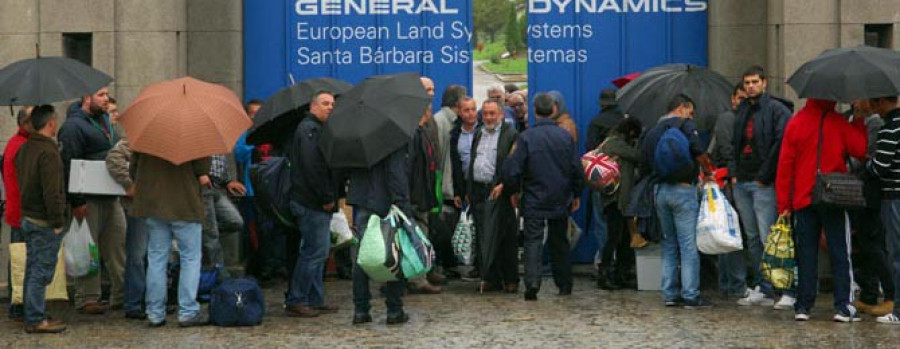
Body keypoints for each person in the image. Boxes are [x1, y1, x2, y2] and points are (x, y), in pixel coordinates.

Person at [776, 98, 867, 322]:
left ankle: (803, 306)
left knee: (806, 254)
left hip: (803, 198)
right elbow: (861, 149)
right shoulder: (838, 122)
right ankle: (843, 306)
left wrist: (784, 204)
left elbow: (785, 165)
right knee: (839, 252)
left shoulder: (796, 122)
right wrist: (858, 120)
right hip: (833, 196)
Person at [502, 93, 583, 301]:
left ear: (535, 111)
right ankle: (564, 283)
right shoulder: (565, 136)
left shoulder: (526, 137)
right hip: (560, 196)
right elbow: (576, 168)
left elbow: (513, 169)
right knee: (559, 241)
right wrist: (577, 193)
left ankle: (532, 284)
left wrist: (513, 191)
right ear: (554, 109)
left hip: (533, 197)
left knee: (533, 241)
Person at [639, 94, 713, 309]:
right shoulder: (686, 126)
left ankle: (670, 294)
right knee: (688, 246)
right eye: (691, 112)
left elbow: (643, 163)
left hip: (660, 192)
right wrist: (708, 172)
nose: (691, 117)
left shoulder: (653, 132)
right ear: (682, 108)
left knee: (669, 244)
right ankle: (690, 295)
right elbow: (699, 153)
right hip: (684, 191)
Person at [730, 66, 795, 309]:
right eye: (747, 82)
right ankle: (764, 286)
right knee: (753, 238)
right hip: (744, 180)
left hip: (763, 182)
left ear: (764, 83)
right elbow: (734, 143)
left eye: (754, 81)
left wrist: (764, 176)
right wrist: (735, 173)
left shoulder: (777, 110)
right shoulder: (743, 109)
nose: (750, 86)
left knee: (771, 237)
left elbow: (780, 145)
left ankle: (784, 288)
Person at [58, 86, 124, 314]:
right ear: (87, 98)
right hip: (88, 197)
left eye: (107, 94)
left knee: (117, 244)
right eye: (101, 95)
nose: (106, 99)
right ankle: (87, 297)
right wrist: (76, 201)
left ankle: (120, 293)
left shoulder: (105, 120)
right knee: (89, 246)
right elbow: (69, 163)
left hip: (111, 194)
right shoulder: (73, 126)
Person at [130, 149, 211, 327]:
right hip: (185, 204)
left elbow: (133, 169)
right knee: (190, 258)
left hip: (154, 204)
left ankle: (155, 313)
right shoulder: (193, 132)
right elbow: (202, 169)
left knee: (156, 258)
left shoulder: (147, 133)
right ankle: (188, 312)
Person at [284, 90, 340, 317]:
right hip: (311, 202)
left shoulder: (317, 129)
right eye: (325, 103)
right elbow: (313, 167)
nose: (329, 107)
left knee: (319, 252)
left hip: (313, 201)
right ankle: (297, 299)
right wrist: (326, 197)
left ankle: (315, 299)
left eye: (332, 104)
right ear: (313, 106)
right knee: (313, 252)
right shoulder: (309, 130)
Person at [347, 147, 413, 325]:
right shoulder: (391, 139)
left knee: (362, 257)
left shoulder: (357, 138)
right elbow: (395, 174)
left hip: (361, 201)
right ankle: (394, 309)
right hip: (385, 202)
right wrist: (404, 207)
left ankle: (360, 310)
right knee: (393, 254)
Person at [17, 105, 67, 334]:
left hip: (28, 216)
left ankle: (32, 313)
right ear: (50, 123)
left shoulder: (25, 148)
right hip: (44, 221)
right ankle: (36, 319)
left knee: (32, 268)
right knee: (41, 271)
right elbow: (52, 191)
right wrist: (57, 222)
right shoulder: (48, 151)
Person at [849, 99, 895, 318]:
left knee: (882, 246)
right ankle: (871, 292)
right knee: (869, 244)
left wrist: (864, 166)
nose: (855, 102)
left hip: (880, 194)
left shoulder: (881, 124)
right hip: (875, 193)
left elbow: (878, 163)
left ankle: (891, 298)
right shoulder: (860, 120)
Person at [468, 99, 519, 293]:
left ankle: (510, 278)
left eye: (492, 113)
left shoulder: (511, 134)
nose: (489, 117)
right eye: (486, 113)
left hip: (499, 191)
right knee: (484, 235)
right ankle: (490, 277)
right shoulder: (479, 133)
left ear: (501, 115)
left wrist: (505, 185)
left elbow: (515, 164)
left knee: (505, 236)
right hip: (479, 191)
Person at [596, 117, 644, 290]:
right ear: (631, 132)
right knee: (614, 238)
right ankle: (605, 274)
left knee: (623, 239)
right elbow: (638, 156)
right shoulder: (616, 144)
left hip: (619, 200)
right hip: (615, 200)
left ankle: (620, 273)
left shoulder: (612, 143)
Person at [712, 83, 750, 299]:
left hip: (729, 180)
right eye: (740, 98)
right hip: (729, 182)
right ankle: (735, 283)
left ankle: (728, 283)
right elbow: (726, 150)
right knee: (733, 234)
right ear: (733, 99)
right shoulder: (728, 119)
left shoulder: (737, 119)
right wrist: (733, 175)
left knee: (727, 233)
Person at [865, 95, 900, 324]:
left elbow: (879, 167)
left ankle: (898, 311)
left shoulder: (891, 127)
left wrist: (869, 162)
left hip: (894, 197)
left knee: (896, 254)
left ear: (881, 102)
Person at [105, 138, 148, 320]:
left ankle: (152, 300)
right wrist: (129, 184)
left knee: (155, 256)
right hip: (140, 207)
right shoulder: (137, 139)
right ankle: (134, 303)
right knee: (137, 256)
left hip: (160, 206)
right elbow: (114, 158)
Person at [585, 88, 624, 278]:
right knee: (620, 224)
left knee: (601, 223)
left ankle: (604, 263)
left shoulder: (596, 122)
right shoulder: (625, 121)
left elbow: (589, 151)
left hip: (601, 180)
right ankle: (621, 264)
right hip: (623, 180)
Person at [432, 85, 468, 281]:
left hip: (448, 186)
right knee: (442, 229)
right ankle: (442, 265)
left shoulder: (450, 121)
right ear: (457, 102)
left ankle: (447, 264)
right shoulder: (441, 122)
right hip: (443, 187)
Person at [406, 106, 443, 294]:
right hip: (415, 196)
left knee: (419, 235)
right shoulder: (413, 135)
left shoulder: (420, 133)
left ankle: (420, 274)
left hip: (421, 195)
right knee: (417, 237)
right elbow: (412, 169)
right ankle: (417, 279)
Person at [4, 107, 33, 321]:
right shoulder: (23, 146)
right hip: (24, 211)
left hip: (17, 210)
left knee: (18, 258)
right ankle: (20, 304)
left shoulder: (14, 143)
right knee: (22, 260)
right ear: (26, 124)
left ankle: (19, 303)